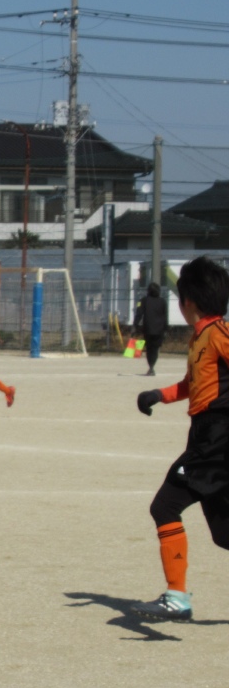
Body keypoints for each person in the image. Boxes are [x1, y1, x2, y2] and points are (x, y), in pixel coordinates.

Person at [130, 256, 229, 622]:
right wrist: (159, 394)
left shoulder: (218, 334)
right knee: (224, 534)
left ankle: (176, 597)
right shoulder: (201, 337)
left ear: (188, 301)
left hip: (216, 440)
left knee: (165, 506)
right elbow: (193, 384)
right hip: (205, 437)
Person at [133, 281, 167, 376]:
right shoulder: (163, 301)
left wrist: (135, 325)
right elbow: (165, 316)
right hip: (159, 329)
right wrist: (166, 329)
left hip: (148, 328)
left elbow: (139, 313)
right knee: (155, 349)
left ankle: (151, 367)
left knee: (149, 348)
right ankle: (152, 366)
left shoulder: (143, 300)